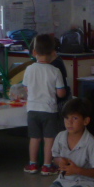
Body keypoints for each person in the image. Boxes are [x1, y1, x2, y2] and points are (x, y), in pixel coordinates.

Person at [39, 97, 94, 187]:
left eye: (75, 118)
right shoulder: (60, 136)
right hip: (62, 180)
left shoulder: (91, 142)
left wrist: (77, 170)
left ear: (86, 121)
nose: (69, 122)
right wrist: (59, 161)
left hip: (83, 184)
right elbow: (55, 158)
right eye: (66, 118)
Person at [23, 34, 67, 175]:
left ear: (34, 52)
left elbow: (26, 88)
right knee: (49, 139)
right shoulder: (55, 71)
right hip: (49, 110)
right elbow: (61, 93)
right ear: (53, 52)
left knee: (34, 138)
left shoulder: (29, 69)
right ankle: (47, 166)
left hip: (32, 109)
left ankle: (33, 164)